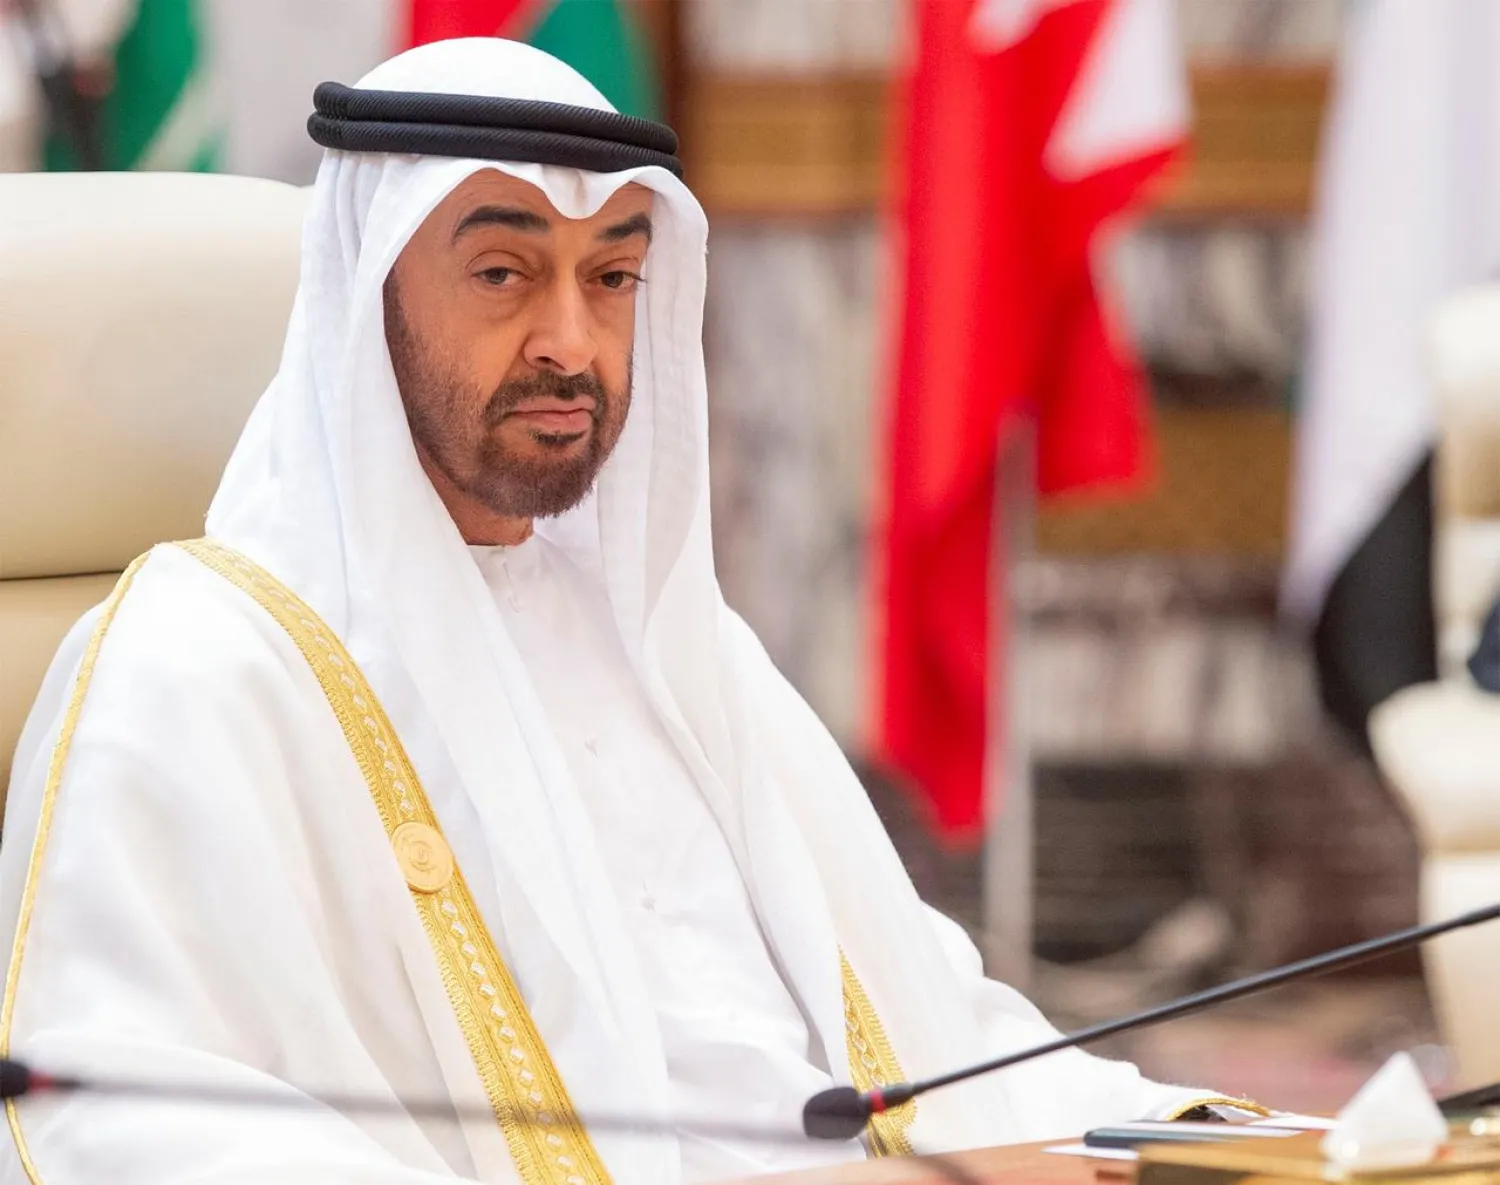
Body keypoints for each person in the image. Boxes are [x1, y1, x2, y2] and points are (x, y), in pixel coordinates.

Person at [0, 38, 1260, 1185]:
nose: (571, 340)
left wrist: (1207, 1141)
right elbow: (119, 1122)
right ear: (366, 293)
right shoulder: (202, 664)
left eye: (612, 278)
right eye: (503, 273)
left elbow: (930, 1009)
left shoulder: (677, 653)